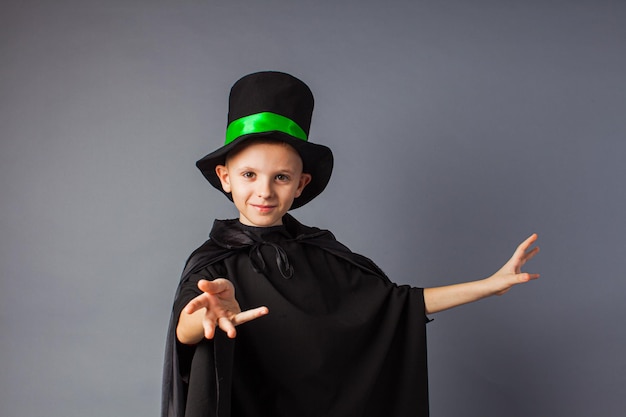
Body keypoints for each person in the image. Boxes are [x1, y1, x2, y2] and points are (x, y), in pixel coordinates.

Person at [161, 71, 539, 417]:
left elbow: (398, 307)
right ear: (225, 177)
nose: (264, 191)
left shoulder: (321, 253)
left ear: (301, 184)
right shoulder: (212, 266)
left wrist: (488, 286)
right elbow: (187, 326)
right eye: (249, 174)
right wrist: (207, 318)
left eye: (280, 177)